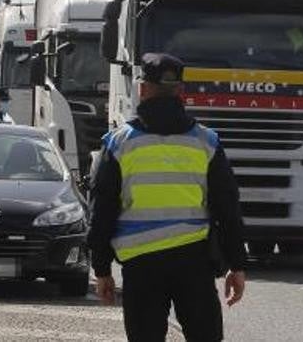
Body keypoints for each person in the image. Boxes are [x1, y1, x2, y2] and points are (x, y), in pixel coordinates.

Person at [89, 53, 247, 341]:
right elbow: (227, 208)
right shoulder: (206, 141)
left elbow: (102, 210)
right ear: (181, 91)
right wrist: (237, 265)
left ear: (142, 89)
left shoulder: (118, 143)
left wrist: (101, 270)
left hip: (141, 265)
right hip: (194, 263)